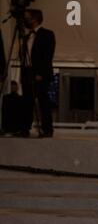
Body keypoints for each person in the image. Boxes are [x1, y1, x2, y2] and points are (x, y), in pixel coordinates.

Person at [20, 9, 55, 138]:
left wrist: (41, 72)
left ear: (35, 19)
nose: (26, 20)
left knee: (43, 101)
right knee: (27, 101)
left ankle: (47, 128)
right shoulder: (26, 36)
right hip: (27, 71)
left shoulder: (47, 34)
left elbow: (47, 55)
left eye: (28, 17)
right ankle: (25, 127)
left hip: (40, 72)